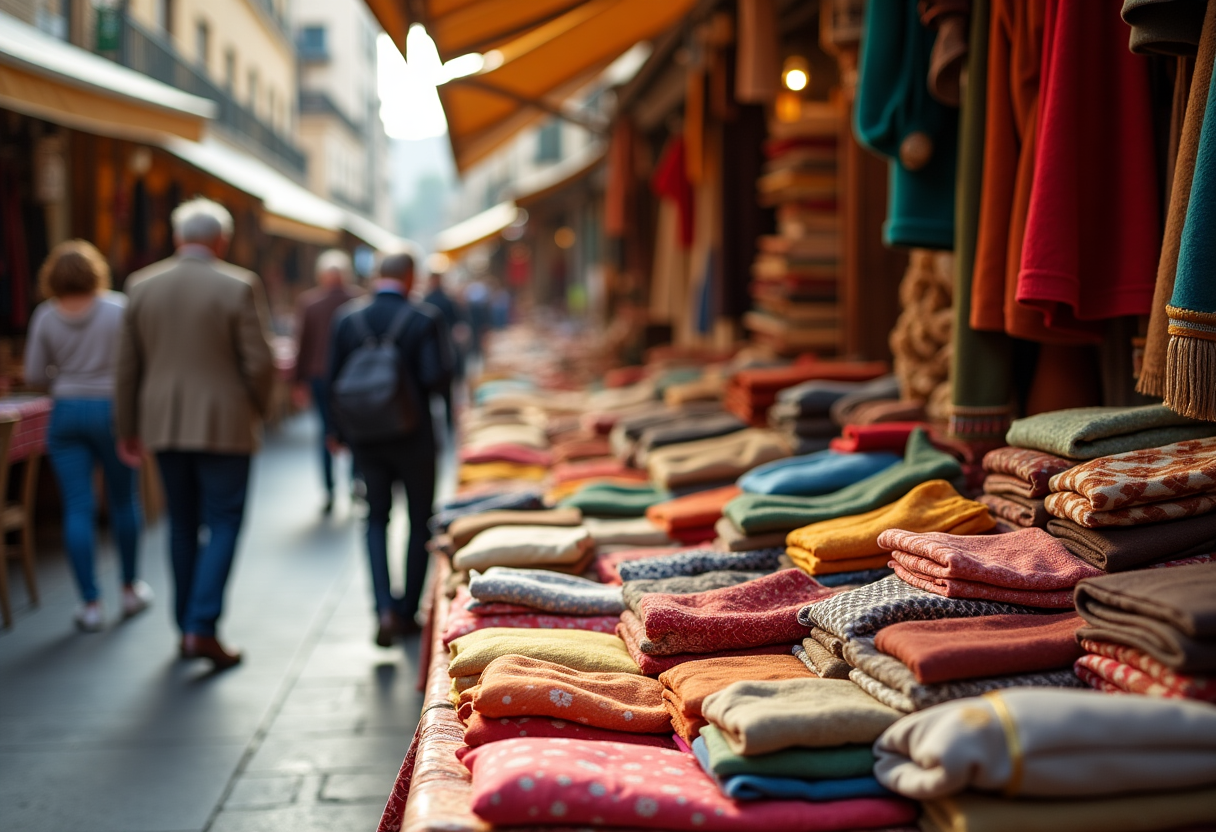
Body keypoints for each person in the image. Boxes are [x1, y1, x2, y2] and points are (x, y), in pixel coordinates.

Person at [115, 198, 274, 669]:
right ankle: (202, 628)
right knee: (223, 522)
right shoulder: (238, 285)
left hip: (163, 424)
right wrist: (259, 409)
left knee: (181, 524)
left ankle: (186, 624)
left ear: (176, 237)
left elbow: (127, 367)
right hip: (225, 423)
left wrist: (126, 427)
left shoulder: (141, 286)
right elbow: (259, 362)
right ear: (220, 240)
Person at [326, 251, 451, 646]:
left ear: (378, 275)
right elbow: (435, 377)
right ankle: (406, 609)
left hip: (366, 437)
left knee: (375, 518)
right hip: (414, 437)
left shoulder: (347, 319)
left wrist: (337, 432)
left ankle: (382, 608)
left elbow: (331, 381)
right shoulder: (424, 318)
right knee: (419, 520)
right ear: (410, 276)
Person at [24, 241, 149, 632]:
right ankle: (129, 590)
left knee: (77, 506)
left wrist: (63, 378)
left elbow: (33, 375)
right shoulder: (118, 308)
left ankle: (90, 604)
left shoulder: (45, 315)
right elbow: (138, 362)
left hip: (66, 413)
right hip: (113, 411)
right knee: (123, 499)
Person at [293, 249, 362, 513]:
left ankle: (329, 489)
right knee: (355, 429)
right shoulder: (357, 299)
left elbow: (303, 344)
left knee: (325, 432)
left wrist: (298, 381)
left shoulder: (310, 303)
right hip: (350, 376)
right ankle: (356, 481)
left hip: (320, 376)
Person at [422, 271, 465, 428]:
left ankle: (444, 422)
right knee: (446, 390)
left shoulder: (427, 300)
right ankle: (448, 423)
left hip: (437, 349)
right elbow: (458, 324)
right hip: (445, 348)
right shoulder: (446, 299)